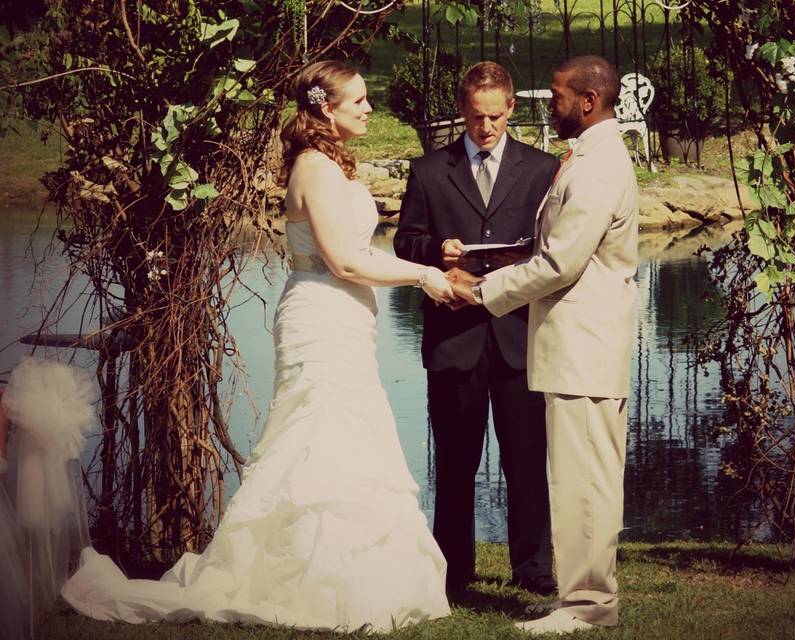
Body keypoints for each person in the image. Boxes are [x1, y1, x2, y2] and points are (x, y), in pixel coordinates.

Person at [59, 61, 453, 632]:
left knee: (345, 435)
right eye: (360, 100)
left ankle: (345, 567)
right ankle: (314, 574)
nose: (369, 108)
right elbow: (343, 260)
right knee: (319, 434)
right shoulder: (314, 169)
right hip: (321, 315)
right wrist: (423, 275)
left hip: (345, 317)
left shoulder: (330, 164)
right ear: (326, 107)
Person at [450, 55, 639, 634]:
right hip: (577, 345)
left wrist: (482, 292)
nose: (548, 106)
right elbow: (547, 248)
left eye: (556, 97)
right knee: (583, 476)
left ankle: (587, 606)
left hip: (584, 346)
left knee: (585, 480)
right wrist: (499, 263)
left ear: (587, 101)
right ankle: (582, 597)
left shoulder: (600, 164)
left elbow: (561, 262)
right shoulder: (588, 155)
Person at [394, 61, 559, 596]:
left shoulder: (542, 169)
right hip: (454, 338)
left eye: (494, 116)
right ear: (462, 110)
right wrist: (436, 251)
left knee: (527, 461)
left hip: (518, 336)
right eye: (475, 116)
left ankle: (533, 570)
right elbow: (405, 242)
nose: (485, 127)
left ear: (511, 108)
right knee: (456, 462)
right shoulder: (428, 170)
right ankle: (453, 573)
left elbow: (552, 249)